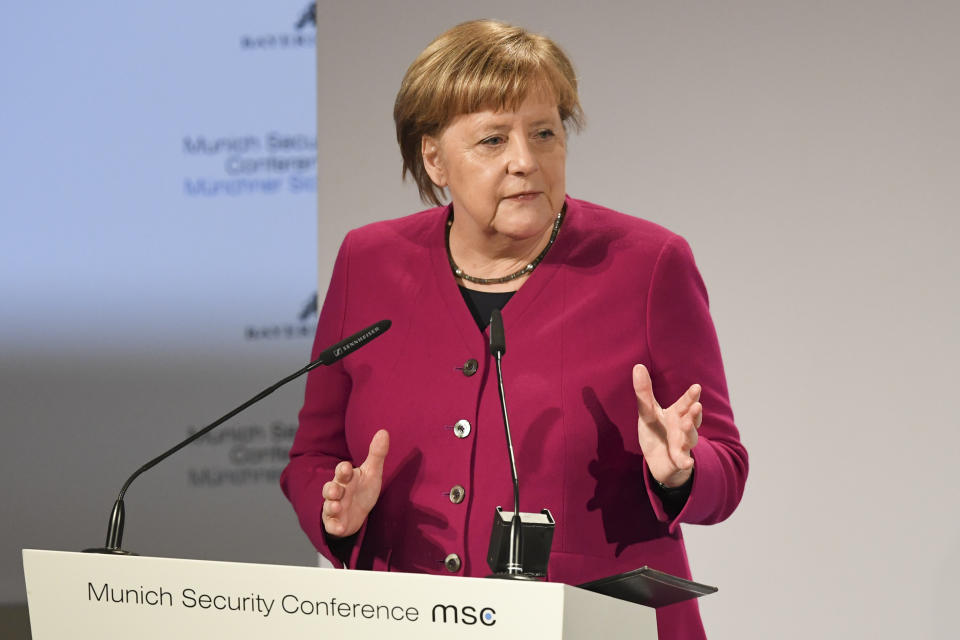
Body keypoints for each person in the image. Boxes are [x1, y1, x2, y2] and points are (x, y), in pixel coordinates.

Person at [281, 19, 748, 639]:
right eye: (493, 140)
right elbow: (314, 455)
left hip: (595, 624)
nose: (525, 161)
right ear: (433, 156)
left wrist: (681, 472)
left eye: (544, 133)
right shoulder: (367, 263)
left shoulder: (649, 265)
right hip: (405, 620)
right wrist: (336, 510)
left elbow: (727, 465)